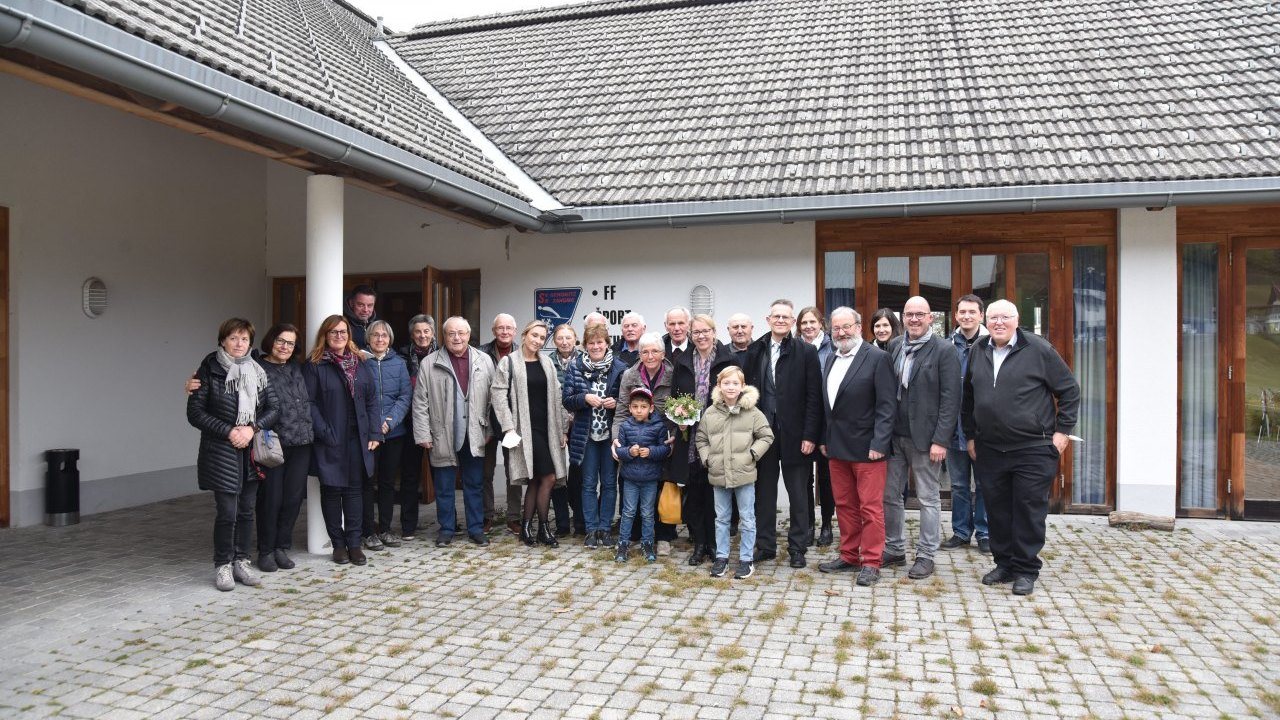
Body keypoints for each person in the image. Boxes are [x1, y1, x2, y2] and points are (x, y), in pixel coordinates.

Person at [963, 299, 1078, 596]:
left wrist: (1061, 433)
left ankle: (1026, 569)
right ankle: (1005, 564)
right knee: (998, 509)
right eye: (993, 317)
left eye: (1005, 317)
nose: (998, 322)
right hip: (990, 448)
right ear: (986, 321)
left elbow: (1069, 391)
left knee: (1027, 509)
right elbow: (969, 398)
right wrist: (971, 435)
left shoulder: (1038, 349)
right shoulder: (978, 349)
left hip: (1033, 447)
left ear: (1017, 319)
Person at [187, 318, 281, 591]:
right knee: (227, 512)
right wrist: (229, 431)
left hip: (250, 452)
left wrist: (251, 429)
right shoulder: (208, 370)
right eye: (233, 338)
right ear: (223, 341)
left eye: (244, 339)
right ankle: (223, 565)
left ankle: (242, 561)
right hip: (220, 451)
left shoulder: (258, 371)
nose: (239, 344)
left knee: (246, 511)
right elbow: (195, 413)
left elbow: (273, 409)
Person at [816, 308, 897, 587]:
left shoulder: (878, 358)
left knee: (870, 509)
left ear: (859, 326)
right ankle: (849, 555)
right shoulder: (829, 358)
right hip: (837, 447)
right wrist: (825, 438)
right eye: (836, 329)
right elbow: (829, 406)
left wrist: (880, 443)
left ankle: (871, 562)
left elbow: (887, 406)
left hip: (868, 449)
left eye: (847, 327)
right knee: (845, 505)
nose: (841, 333)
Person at [882, 297, 960, 580]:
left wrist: (941, 439)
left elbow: (951, 399)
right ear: (902, 318)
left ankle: (926, 555)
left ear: (931, 318)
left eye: (919, 315)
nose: (913, 319)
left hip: (927, 440)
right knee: (890, 495)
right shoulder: (895, 345)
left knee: (928, 498)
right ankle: (894, 548)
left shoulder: (944, 350)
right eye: (909, 314)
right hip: (894, 437)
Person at [745, 299, 822, 568]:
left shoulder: (806, 352)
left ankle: (797, 548)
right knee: (763, 494)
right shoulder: (755, 350)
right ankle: (765, 545)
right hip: (763, 435)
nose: (780, 320)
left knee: (799, 494)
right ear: (768, 319)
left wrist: (811, 435)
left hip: (796, 435)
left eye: (786, 317)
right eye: (776, 316)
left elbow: (814, 398)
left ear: (793, 323)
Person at [303, 315, 383, 565]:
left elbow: (372, 400)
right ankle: (338, 545)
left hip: (357, 438)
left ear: (349, 335)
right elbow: (309, 403)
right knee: (331, 490)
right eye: (333, 332)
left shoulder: (361, 362)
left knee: (354, 491)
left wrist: (374, 432)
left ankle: (355, 544)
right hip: (329, 437)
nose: (339, 336)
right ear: (324, 336)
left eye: (343, 332)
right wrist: (324, 432)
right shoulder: (315, 364)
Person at [412, 316, 496, 547]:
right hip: (442, 434)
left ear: (469, 335)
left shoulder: (484, 360)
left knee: (474, 484)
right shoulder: (429, 363)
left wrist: (490, 428)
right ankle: (447, 529)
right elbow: (420, 402)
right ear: (444, 336)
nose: (457, 337)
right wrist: (423, 434)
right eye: (451, 333)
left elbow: (493, 398)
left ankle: (476, 529)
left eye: (461, 333)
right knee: (444, 486)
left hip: (475, 433)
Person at [491, 320, 570, 547]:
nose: (537, 340)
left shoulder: (546, 362)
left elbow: (557, 396)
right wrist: (508, 427)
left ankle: (528, 528)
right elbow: (497, 395)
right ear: (525, 335)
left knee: (538, 479)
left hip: (548, 428)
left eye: (542, 337)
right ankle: (543, 527)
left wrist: (563, 427)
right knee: (548, 477)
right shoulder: (509, 362)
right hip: (523, 429)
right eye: (534, 335)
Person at [696, 366, 773, 580]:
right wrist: (707, 458)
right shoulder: (710, 413)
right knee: (721, 518)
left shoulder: (753, 412)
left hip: (744, 473)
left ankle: (746, 560)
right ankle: (722, 557)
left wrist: (752, 454)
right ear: (719, 386)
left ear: (742, 386)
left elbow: (766, 436)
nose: (730, 387)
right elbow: (701, 439)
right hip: (718, 473)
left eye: (735, 383)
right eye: (726, 383)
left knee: (747, 518)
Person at [675, 313, 736, 565]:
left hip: (718, 434)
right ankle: (699, 544)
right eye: (696, 332)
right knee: (695, 492)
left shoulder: (727, 360)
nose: (700, 336)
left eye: (705, 331)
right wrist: (677, 416)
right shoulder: (682, 361)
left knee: (716, 494)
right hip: (689, 436)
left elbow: (735, 395)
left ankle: (715, 544)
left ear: (714, 331)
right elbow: (677, 395)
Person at [252, 324, 313, 572]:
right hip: (272, 443)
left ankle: (281, 547)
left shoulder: (297, 368)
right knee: (270, 499)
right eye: (280, 341)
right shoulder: (257, 369)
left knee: (292, 499)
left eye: (290, 343)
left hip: (301, 442)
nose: (285, 347)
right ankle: (265, 550)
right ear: (271, 341)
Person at [563, 324, 626, 548]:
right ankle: (591, 529)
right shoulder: (575, 366)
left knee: (609, 483)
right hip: (586, 435)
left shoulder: (620, 367)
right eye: (592, 343)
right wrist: (584, 399)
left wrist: (616, 403)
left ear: (607, 344)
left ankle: (605, 529)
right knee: (588, 484)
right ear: (585, 345)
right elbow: (567, 399)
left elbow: (628, 402)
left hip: (610, 436)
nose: (596, 346)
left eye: (600, 342)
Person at [613, 332, 675, 549]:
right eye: (645, 352)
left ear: (663, 353)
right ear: (639, 354)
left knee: (663, 486)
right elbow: (621, 409)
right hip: (635, 437)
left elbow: (681, 407)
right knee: (633, 485)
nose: (650, 356)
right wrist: (616, 440)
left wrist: (676, 435)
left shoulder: (672, 374)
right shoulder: (630, 375)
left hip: (663, 440)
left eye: (655, 351)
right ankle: (634, 535)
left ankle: (665, 537)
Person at [942, 295, 990, 553]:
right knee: (958, 484)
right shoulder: (948, 344)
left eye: (972, 311)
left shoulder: (991, 343)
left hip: (983, 429)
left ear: (980, 315)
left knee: (984, 483)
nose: (967, 316)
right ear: (956, 315)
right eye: (962, 311)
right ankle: (961, 532)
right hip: (953, 428)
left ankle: (984, 532)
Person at [362, 320, 412, 551]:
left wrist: (389, 423)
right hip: (367, 434)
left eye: (384, 335)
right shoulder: (360, 362)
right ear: (368, 338)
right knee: (366, 482)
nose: (380, 339)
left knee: (388, 482)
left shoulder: (399, 364)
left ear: (390, 339)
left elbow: (405, 396)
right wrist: (373, 425)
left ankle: (385, 528)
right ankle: (367, 531)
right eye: (375, 335)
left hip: (393, 434)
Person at [614, 387, 671, 563]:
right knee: (628, 512)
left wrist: (652, 451)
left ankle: (647, 543)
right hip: (630, 478)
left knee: (647, 512)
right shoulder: (625, 426)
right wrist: (629, 452)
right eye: (635, 406)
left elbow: (666, 448)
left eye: (643, 406)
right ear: (630, 408)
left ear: (651, 408)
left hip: (650, 479)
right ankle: (623, 543)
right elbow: (619, 450)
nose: (639, 410)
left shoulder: (659, 426)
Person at [396, 313, 437, 541]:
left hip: (438, 422)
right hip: (409, 422)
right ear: (412, 335)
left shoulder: (443, 354)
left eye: (426, 331)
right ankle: (408, 525)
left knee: (441, 474)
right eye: (418, 332)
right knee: (410, 476)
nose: (423, 336)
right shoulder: (400, 356)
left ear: (432, 333)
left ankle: (448, 523)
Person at [796, 306, 835, 548]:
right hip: (802, 420)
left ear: (821, 323)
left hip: (827, 422)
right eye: (804, 323)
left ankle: (827, 525)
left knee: (826, 477)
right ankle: (807, 524)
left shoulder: (833, 347)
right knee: (804, 478)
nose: (808, 326)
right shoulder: (795, 348)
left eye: (813, 322)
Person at [480, 313, 520, 534]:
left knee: (513, 470)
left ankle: (514, 517)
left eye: (508, 328)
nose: (504, 332)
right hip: (486, 419)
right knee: (485, 472)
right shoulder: (480, 353)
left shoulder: (521, 354)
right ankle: (486, 516)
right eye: (500, 328)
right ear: (493, 330)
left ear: (514, 331)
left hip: (510, 422)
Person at [547, 323, 585, 537]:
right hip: (554, 424)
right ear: (554, 341)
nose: (564, 342)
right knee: (557, 473)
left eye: (568, 338)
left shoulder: (583, 360)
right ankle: (562, 522)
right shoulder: (546, 361)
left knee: (578, 473)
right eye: (560, 338)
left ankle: (580, 521)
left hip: (579, 424)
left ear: (575, 339)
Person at [344, 284, 378, 351]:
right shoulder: (342, 324)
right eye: (361, 305)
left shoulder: (379, 324)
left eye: (370, 305)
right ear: (351, 303)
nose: (365, 310)